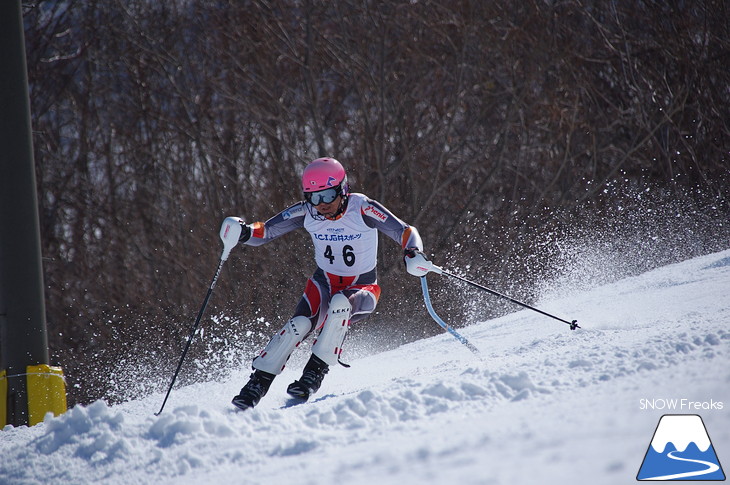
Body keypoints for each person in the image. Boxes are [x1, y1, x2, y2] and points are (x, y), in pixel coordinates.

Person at [229, 157, 433, 410]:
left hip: (362, 288)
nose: (321, 205)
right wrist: (245, 231)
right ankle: (256, 384)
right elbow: (265, 231)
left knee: (340, 305)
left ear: (343, 190)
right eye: (313, 197)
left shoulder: (362, 207)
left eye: (327, 196)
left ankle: (313, 374)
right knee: (299, 324)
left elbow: (405, 230)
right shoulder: (307, 211)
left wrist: (412, 251)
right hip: (323, 283)